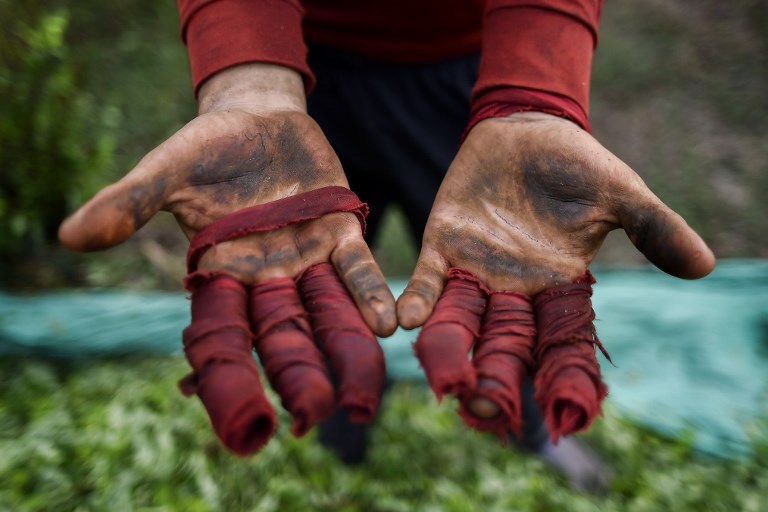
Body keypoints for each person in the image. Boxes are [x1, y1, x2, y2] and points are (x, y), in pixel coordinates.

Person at [58, 0, 715, 493]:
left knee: (507, 286)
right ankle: (343, 435)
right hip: (303, 71)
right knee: (318, 294)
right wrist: (247, 76)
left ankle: (534, 428)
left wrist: (535, 87)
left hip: (475, 71)